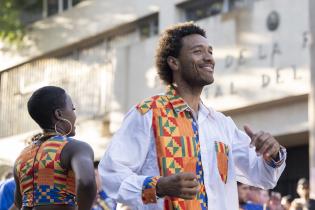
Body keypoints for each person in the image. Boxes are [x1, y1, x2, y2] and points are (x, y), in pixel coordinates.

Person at [98, 22, 286, 210]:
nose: (209, 58)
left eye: (210, 52)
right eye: (198, 52)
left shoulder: (222, 125)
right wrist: (158, 186)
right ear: (174, 62)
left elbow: (263, 177)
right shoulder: (148, 113)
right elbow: (112, 175)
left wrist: (273, 154)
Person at [13, 86, 96, 210]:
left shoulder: (22, 157)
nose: (75, 115)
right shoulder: (74, 148)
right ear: (59, 114)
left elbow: (19, 203)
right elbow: (86, 182)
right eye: (73, 109)